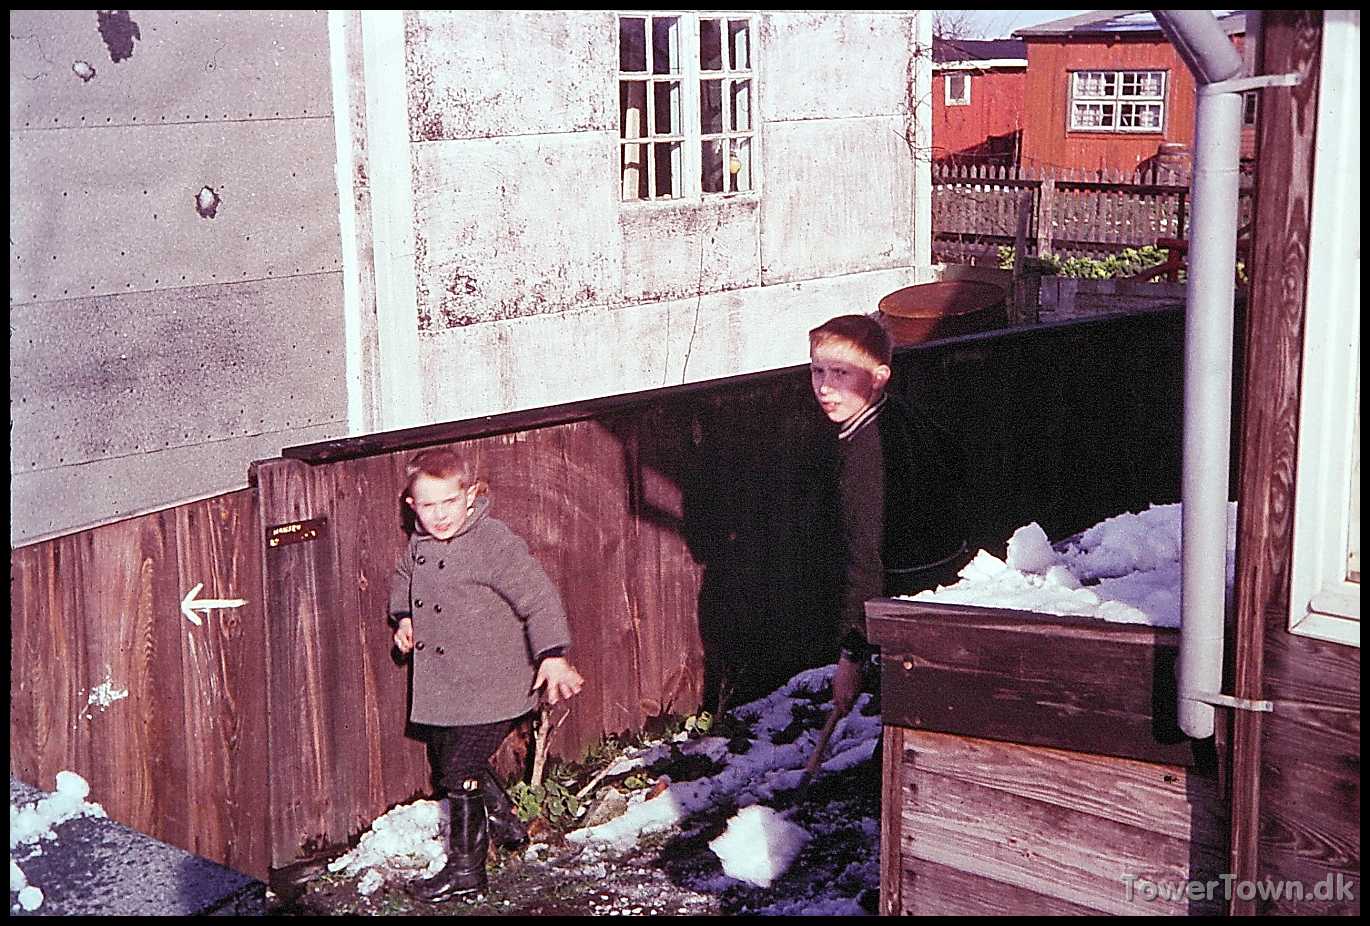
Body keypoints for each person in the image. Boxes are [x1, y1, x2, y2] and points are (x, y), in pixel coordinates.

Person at [389, 447, 585, 902]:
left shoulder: (492, 542)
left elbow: (538, 597)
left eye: (449, 502)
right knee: (450, 758)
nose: (440, 515)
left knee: (458, 770)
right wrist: (405, 617)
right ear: (412, 505)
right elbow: (404, 576)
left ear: (471, 495)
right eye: (428, 505)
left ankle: (466, 871)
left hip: (496, 683)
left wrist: (552, 654)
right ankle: (505, 823)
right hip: (446, 683)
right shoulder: (420, 544)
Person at [808, 314, 966, 719]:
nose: (825, 387)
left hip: (908, 603)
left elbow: (866, 563)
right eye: (818, 371)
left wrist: (851, 658)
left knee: (908, 719)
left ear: (878, 377)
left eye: (841, 373)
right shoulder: (897, 413)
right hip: (942, 584)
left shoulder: (866, 458)